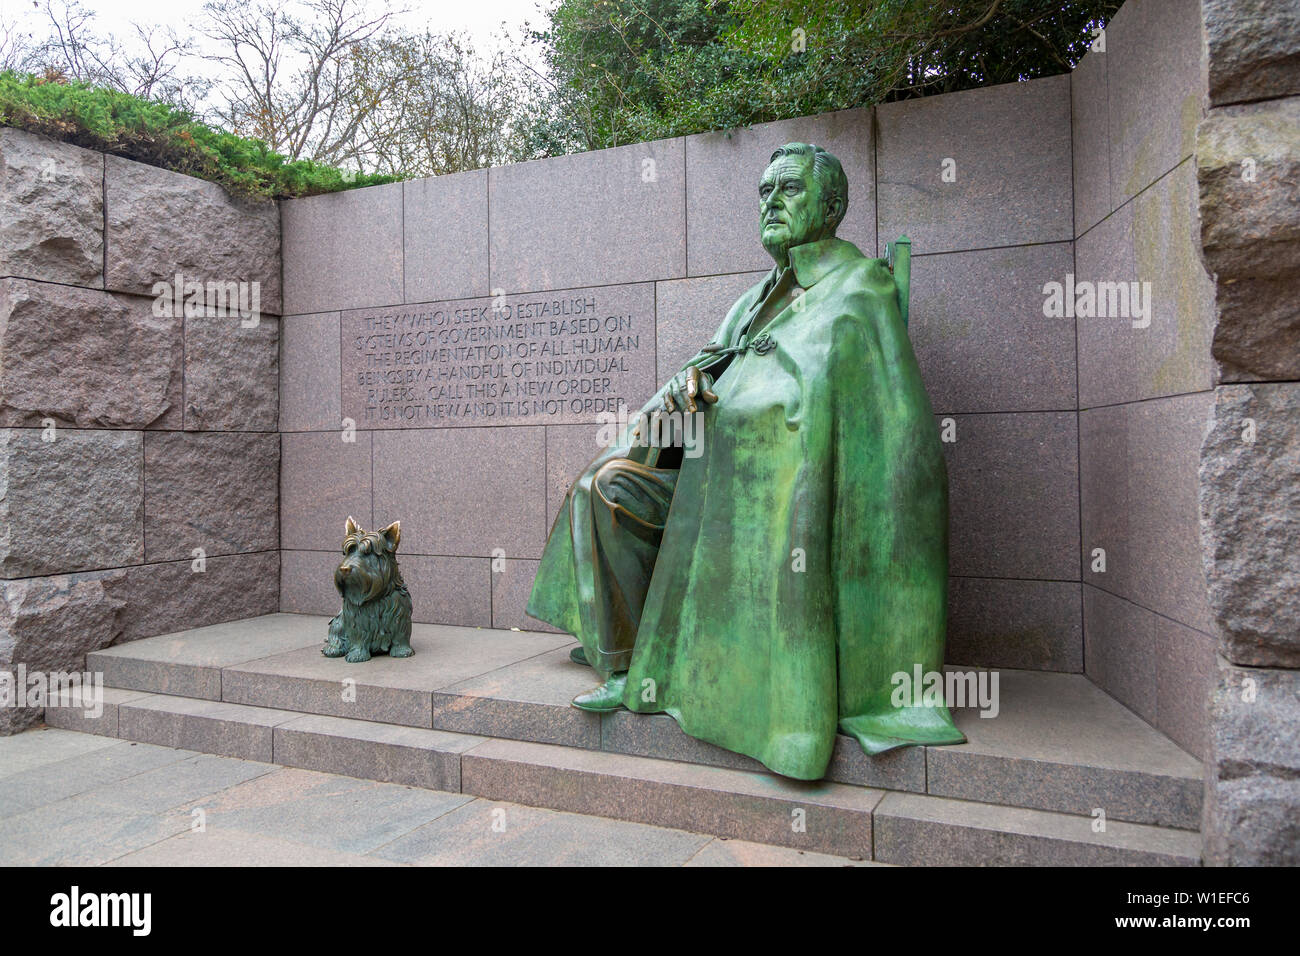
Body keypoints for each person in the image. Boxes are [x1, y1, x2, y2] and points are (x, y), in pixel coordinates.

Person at [526, 142, 965, 780]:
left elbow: (882, 429)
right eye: (764, 192)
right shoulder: (755, 298)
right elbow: (703, 372)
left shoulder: (860, 287)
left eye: (788, 189)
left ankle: (695, 675)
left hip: (779, 492)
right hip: (704, 474)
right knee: (606, 484)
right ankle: (625, 663)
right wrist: (683, 396)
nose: (772, 202)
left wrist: (749, 410)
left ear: (832, 204)